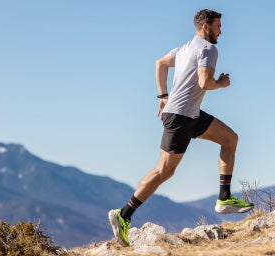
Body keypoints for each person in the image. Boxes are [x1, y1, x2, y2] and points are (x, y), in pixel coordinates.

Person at [108, 9, 254, 246]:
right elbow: (204, 82)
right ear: (206, 26)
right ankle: (123, 215)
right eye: (218, 26)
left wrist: (163, 95)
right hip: (180, 117)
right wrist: (222, 83)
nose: (221, 31)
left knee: (230, 139)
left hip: (190, 114)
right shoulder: (208, 49)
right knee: (163, 171)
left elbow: (160, 63)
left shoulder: (185, 48)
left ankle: (224, 198)